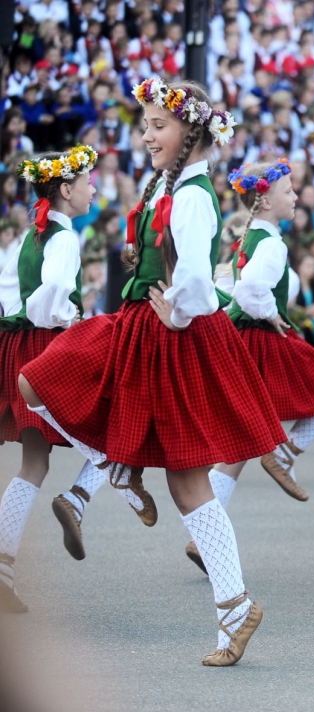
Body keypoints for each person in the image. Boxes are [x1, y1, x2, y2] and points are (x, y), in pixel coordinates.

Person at [18, 79, 282, 666]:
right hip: (147, 326)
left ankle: (234, 609)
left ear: (190, 129)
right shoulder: (171, 186)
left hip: (169, 331)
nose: (147, 135)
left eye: (158, 125)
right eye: (145, 125)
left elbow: (194, 274)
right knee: (38, 382)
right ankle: (118, 465)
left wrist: (180, 310)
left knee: (188, 482)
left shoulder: (190, 194)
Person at [181, 158, 314, 572]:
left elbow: (236, 287)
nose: (295, 196)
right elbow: (249, 289)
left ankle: (200, 538)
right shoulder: (272, 243)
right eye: (288, 191)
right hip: (263, 340)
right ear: (262, 200)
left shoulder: (251, 237)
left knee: (240, 446)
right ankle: (286, 453)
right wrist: (269, 312)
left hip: (242, 340)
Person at [0, 145, 107, 610]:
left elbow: (10, 297)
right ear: (66, 189)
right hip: (48, 347)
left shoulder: (29, 238)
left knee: (34, 462)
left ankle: (2, 567)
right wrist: (71, 324)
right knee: (113, 433)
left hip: (19, 347)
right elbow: (53, 298)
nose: (94, 187)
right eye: (87, 182)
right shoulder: (63, 238)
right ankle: (78, 498)